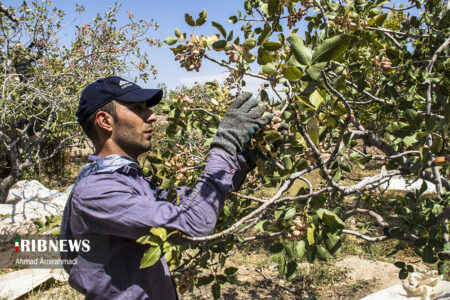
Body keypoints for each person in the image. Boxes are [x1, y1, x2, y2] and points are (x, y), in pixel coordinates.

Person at [60, 76, 273, 299]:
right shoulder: (97, 192)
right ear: (105, 121)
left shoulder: (127, 180)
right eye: (137, 108)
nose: (152, 116)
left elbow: (193, 203)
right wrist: (225, 143)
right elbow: (193, 222)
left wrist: (243, 161)